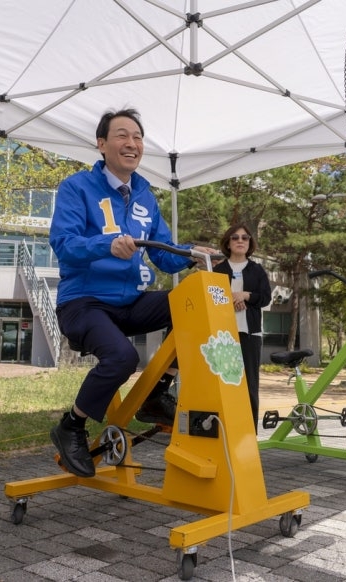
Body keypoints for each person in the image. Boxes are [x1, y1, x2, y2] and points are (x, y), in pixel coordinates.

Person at [48, 108, 216, 478]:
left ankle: (156, 393)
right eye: (122, 135)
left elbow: (162, 254)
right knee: (122, 357)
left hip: (132, 302)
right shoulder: (76, 187)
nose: (132, 143)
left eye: (138, 137)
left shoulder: (146, 196)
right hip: (84, 302)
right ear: (102, 143)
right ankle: (71, 427)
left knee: (196, 306)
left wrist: (191, 255)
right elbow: (64, 244)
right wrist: (106, 246)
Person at [213, 223, 272, 429]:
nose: (240, 241)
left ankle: (248, 432)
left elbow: (265, 298)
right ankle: (224, 429)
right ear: (228, 243)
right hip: (222, 336)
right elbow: (211, 299)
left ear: (250, 243)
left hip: (250, 334)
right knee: (223, 385)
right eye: (235, 238)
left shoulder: (257, 270)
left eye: (245, 238)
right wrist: (231, 299)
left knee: (249, 385)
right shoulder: (218, 270)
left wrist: (245, 295)